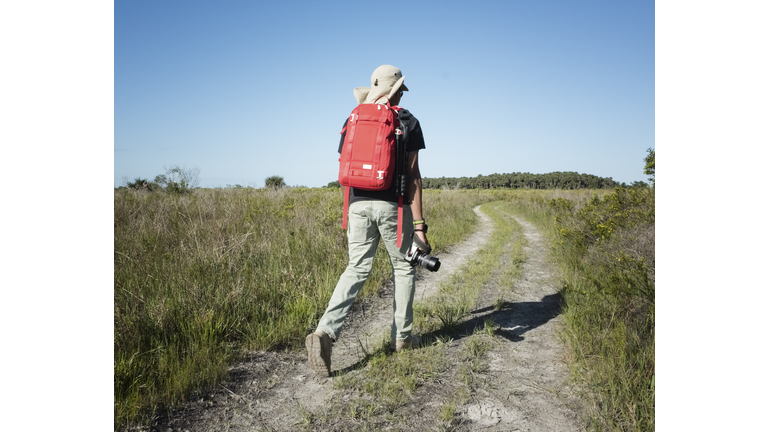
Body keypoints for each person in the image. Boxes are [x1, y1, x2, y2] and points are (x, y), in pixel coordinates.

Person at [306, 65, 430, 377]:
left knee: (357, 268)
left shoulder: (353, 118)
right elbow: (413, 176)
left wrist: (348, 212)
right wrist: (419, 226)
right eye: (401, 87)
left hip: (357, 206)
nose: (403, 92)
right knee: (403, 267)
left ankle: (324, 333)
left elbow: (346, 168)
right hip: (393, 207)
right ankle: (402, 338)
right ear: (396, 90)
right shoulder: (406, 119)